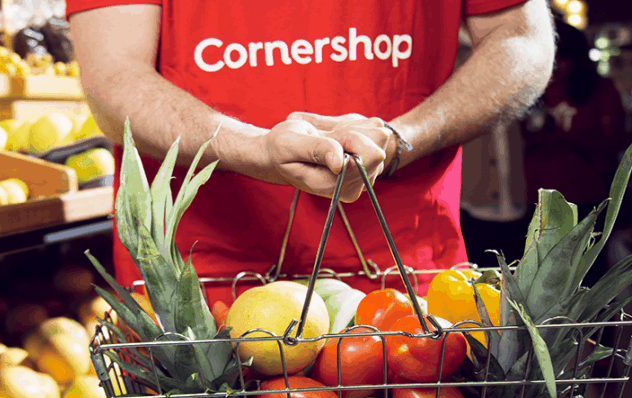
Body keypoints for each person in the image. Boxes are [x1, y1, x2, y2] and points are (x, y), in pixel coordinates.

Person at [66, 1, 556, 308]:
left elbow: (520, 38)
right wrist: (253, 148)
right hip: (200, 297)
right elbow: (114, 78)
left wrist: (403, 136)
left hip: (405, 296)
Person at [518, 18, 630, 286]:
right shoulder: (533, 89)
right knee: (539, 281)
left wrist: (563, 138)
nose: (555, 68)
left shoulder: (599, 90)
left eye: (562, 60)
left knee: (586, 279)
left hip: (586, 199)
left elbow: (615, 143)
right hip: (536, 202)